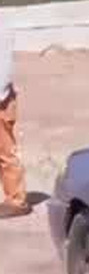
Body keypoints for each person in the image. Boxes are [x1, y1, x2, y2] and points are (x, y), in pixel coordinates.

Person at [0, 18, 29, 219]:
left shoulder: (2, 28)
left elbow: (3, 69)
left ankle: (17, 201)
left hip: (1, 100)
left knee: (5, 152)